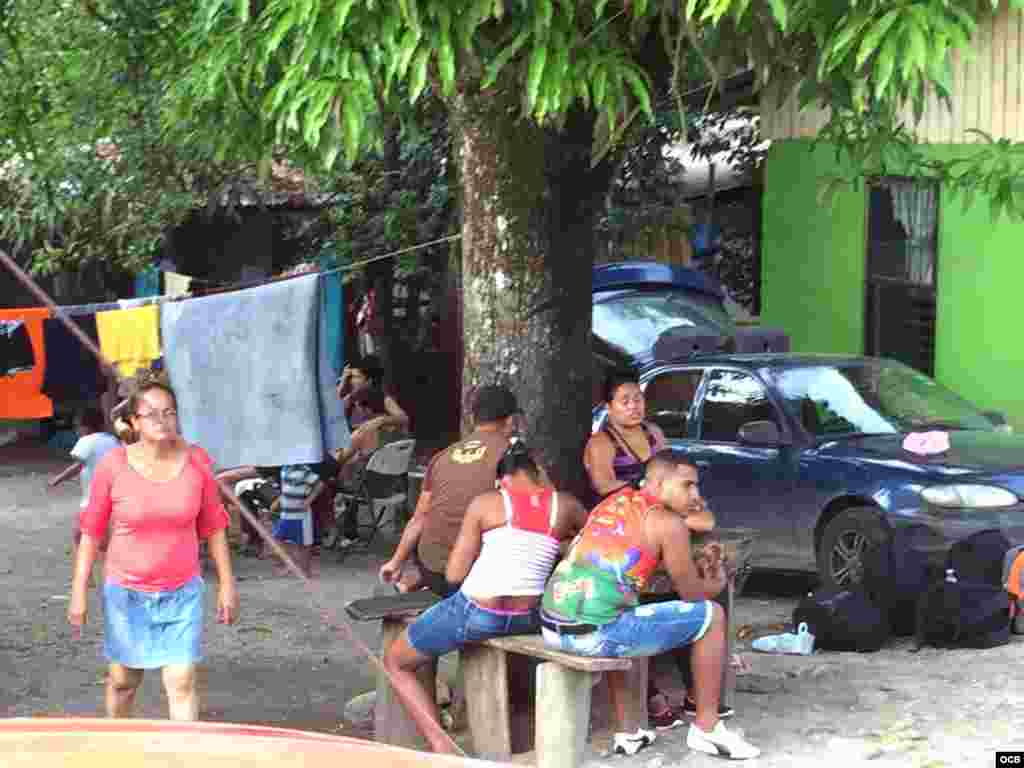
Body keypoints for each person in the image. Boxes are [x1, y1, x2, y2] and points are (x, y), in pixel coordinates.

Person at [541, 451, 759, 760]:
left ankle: (629, 733)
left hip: (552, 626)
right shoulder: (668, 523)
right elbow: (693, 595)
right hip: (592, 636)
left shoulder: (614, 503)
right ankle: (707, 729)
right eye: (687, 486)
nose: (695, 495)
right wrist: (718, 579)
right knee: (712, 615)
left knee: (625, 614)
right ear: (658, 482)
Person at [383, 440, 588, 754]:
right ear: (539, 473)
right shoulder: (567, 506)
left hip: (478, 612)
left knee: (396, 661)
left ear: (500, 482)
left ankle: (442, 745)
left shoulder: (486, 503)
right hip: (527, 618)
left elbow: (453, 574)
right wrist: (560, 546)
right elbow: (590, 548)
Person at [68, 379, 239, 721]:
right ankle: (117, 746)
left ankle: (182, 756)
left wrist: (227, 585)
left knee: (182, 680)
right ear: (132, 423)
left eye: (169, 413)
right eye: (150, 415)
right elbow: (91, 532)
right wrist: (78, 592)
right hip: (126, 591)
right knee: (123, 681)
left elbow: (215, 527)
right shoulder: (113, 465)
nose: (162, 421)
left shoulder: (197, 462)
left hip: (181, 592)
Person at [379, 385, 520, 596]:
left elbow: (419, 518)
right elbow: (549, 510)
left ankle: (413, 583)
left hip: (434, 575)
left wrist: (395, 562)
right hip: (479, 579)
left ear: (472, 419)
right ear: (511, 421)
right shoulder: (516, 456)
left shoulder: (442, 457)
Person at [49, 407, 120, 585]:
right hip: (114, 499)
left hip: (92, 501)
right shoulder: (111, 440)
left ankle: (86, 576)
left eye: (76, 426)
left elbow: (78, 464)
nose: (76, 430)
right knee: (108, 541)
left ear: (84, 426)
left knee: (80, 537)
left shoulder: (86, 441)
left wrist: (58, 479)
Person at [584, 369, 667, 506]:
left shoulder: (653, 432)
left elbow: (669, 466)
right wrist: (644, 486)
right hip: (620, 514)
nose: (633, 406)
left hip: (654, 508)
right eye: (625, 401)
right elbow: (603, 486)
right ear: (609, 407)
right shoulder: (601, 442)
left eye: (637, 399)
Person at [270, 463, 324, 578]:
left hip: (301, 515)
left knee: (304, 544)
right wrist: (278, 500)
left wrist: (309, 500)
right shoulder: (284, 468)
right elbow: (284, 487)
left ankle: (305, 570)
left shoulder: (304, 470)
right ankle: (291, 565)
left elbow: (319, 485)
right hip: (285, 513)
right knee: (278, 539)